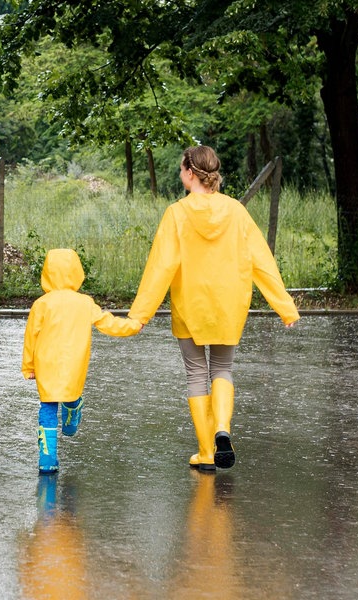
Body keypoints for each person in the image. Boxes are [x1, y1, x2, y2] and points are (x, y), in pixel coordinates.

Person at [128, 145, 300, 472]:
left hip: (190, 305)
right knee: (222, 370)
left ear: (191, 173)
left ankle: (207, 452)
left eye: (181, 169)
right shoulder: (236, 211)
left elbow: (160, 268)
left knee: (196, 375)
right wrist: (284, 307)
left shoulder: (176, 214)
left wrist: (140, 314)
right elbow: (261, 261)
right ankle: (223, 429)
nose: (180, 174)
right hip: (228, 304)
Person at [22, 248, 141, 475]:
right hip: (73, 363)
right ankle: (73, 413)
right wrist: (133, 326)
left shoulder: (42, 304)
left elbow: (31, 336)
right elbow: (108, 323)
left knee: (47, 407)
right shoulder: (84, 302)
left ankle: (47, 459)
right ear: (77, 272)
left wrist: (29, 365)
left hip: (46, 363)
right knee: (71, 394)